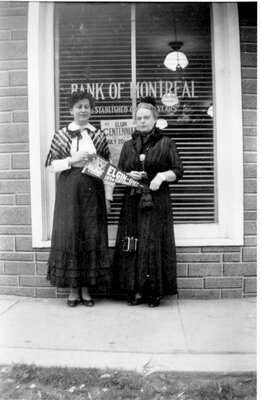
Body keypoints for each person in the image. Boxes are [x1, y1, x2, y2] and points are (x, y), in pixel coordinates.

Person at [112, 97, 183, 307]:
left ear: (155, 119)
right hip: (133, 200)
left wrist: (161, 177)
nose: (142, 121)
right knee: (132, 243)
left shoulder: (166, 143)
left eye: (146, 117)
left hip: (156, 200)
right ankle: (135, 290)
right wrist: (128, 175)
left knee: (152, 244)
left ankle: (152, 292)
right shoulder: (128, 145)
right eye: (139, 118)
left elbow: (179, 171)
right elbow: (118, 174)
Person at [45, 90, 113, 307]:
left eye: (87, 106)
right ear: (71, 110)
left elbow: (108, 170)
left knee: (91, 236)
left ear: (91, 110)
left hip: (93, 193)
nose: (83, 110)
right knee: (72, 237)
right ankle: (73, 291)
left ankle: (86, 290)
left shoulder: (99, 135)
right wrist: (71, 160)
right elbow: (49, 166)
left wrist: (108, 198)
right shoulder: (61, 135)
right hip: (69, 194)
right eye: (79, 106)